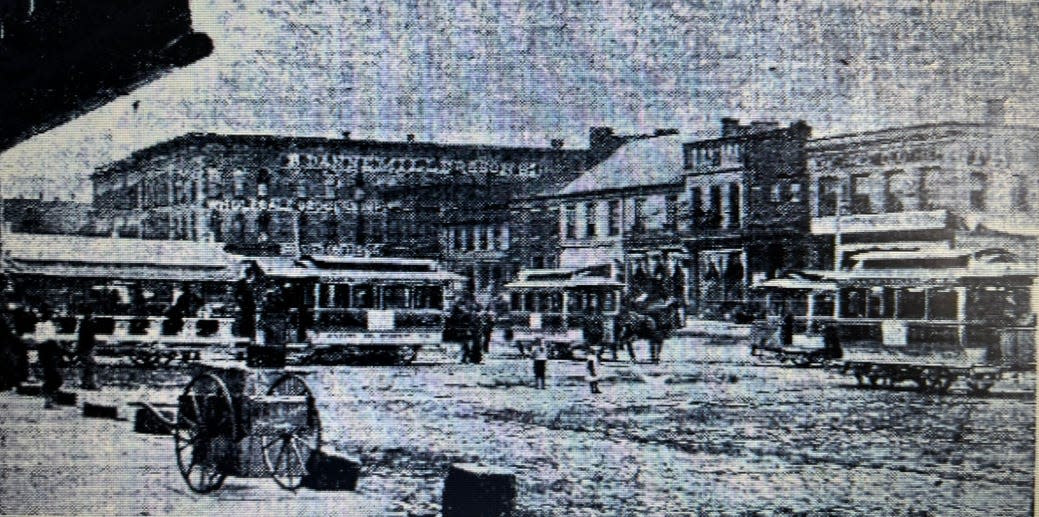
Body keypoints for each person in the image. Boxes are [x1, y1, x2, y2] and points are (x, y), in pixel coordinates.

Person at [77, 307, 99, 390]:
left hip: (85, 347)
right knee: (91, 365)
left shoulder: (83, 323)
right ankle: (91, 384)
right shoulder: (89, 323)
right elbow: (90, 336)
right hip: (87, 347)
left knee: (88, 366)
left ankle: (85, 383)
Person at [38, 339, 63, 408]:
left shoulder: (46, 357)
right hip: (51, 368)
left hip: (49, 367)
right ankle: (48, 402)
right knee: (54, 382)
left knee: (52, 383)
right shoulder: (50, 358)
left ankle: (49, 401)